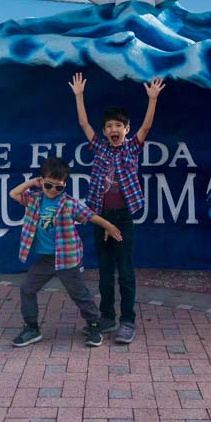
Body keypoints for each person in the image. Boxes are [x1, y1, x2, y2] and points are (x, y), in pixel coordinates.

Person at [70, 71, 165, 345]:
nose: (114, 129)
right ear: (104, 131)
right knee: (103, 270)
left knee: (124, 271)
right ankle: (107, 317)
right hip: (100, 218)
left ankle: (127, 321)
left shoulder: (131, 148)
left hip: (122, 219)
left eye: (118, 126)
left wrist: (152, 99)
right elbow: (83, 122)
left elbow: (146, 127)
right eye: (109, 126)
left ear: (126, 129)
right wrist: (79, 96)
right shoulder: (99, 147)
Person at [9, 155, 122, 348]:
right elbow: (14, 194)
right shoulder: (34, 199)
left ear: (65, 185)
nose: (53, 191)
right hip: (47, 260)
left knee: (80, 296)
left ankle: (94, 326)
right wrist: (32, 183)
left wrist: (109, 226)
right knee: (27, 288)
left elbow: (91, 216)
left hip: (68, 259)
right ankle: (32, 328)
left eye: (58, 187)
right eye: (48, 185)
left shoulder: (70, 204)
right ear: (42, 181)